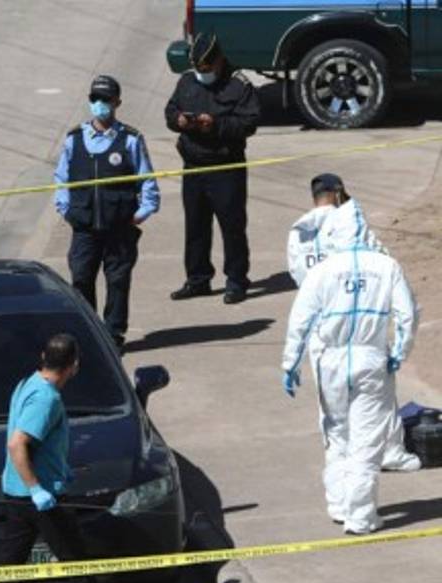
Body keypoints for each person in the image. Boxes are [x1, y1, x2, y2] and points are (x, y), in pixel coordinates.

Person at [0, 334, 157, 583]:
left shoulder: (27, 383)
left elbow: (35, 445)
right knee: (76, 561)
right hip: (39, 497)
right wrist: (38, 489)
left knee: (9, 563)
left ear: (43, 357)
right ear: (74, 366)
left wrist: (55, 470)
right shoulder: (47, 399)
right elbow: (17, 445)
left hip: (17, 492)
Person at [282, 216, 419, 534]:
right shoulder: (387, 266)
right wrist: (399, 353)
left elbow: (300, 320)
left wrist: (291, 365)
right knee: (367, 439)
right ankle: (360, 515)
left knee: (337, 434)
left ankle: (339, 503)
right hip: (370, 358)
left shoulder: (322, 270)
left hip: (331, 360)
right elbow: (407, 315)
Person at [285, 174, 420, 472]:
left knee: (331, 409)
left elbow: (297, 274)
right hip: (362, 325)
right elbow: (379, 260)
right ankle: (387, 453)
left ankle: (340, 463)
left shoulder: (298, 232)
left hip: (323, 331)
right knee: (378, 400)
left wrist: (290, 362)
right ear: (337, 193)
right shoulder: (348, 225)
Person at [54, 75, 160, 350]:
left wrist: (141, 213)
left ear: (117, 102)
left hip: (119, 228)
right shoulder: (74, 139)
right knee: (81, 279)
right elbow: (61, 179)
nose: (99, 104)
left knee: (118, 282)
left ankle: (113, 335)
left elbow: (147, 180)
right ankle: (88, 333)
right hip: (84, 228)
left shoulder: (130, 139)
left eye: (105, 99)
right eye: (95, 98)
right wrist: (66, 210)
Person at [164, 32, 260, 304]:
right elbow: (170, 110)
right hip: (193, 167)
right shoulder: (187, 81)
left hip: (225, 168)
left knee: (232, 227)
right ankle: (198, 279)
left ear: (218, 61)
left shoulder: (238, 85)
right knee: (195, 227)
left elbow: (249, 123)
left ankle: (236, 280)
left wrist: (215, 125)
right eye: (198, 68)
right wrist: (178, 121)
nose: (202, 73)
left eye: (206, 68)